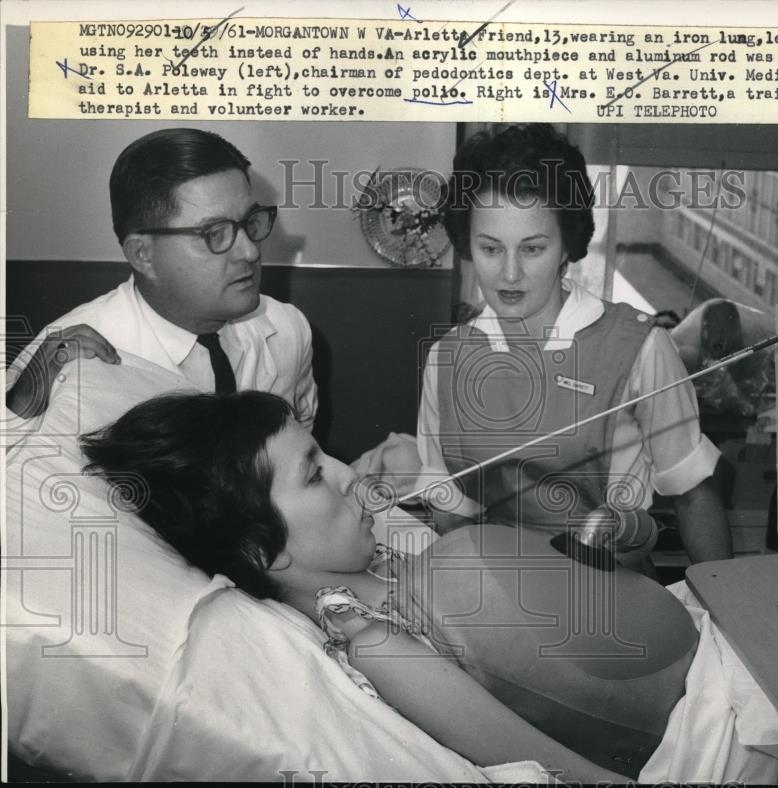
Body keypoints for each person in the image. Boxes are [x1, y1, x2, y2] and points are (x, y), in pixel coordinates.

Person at [80, 390, 698, 782]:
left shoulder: (394, 564)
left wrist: (621, 531)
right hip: (705, 723)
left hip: (700, 647)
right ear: (260, 546)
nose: (350, 475)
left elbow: (611, 582)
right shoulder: (376, 643)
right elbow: (564, 769)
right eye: (315, 474)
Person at [408, 124, 731, 565]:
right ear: (467, 244)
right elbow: (453, 513)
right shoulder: (448, 358)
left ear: (566, 246)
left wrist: (723, 613)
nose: (509, 274)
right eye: (490, 248)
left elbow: (693, 495)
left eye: (532, 249)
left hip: (612, 594)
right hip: (500, 590)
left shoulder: (641, 346)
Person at [5, 127, 316, 431]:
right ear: (143, 255)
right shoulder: (65, 364)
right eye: (214, 233)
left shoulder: (288, 328)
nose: (250, 251)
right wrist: (21, 407)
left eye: (250, 221)